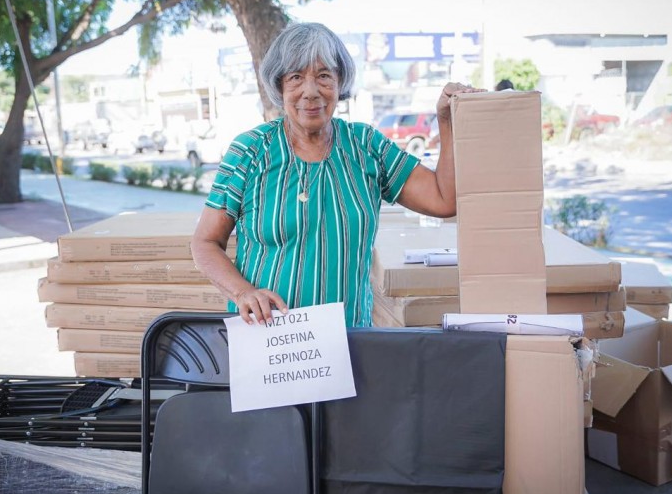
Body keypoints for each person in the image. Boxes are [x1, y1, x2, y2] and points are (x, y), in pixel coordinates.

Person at [191, 22, 481, 328]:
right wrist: (244, 293)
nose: (311, 91)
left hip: (349, 345)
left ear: (340, 82)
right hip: (267, 346)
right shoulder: (250, 152)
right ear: (279, 86)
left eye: (324, 76)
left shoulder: (367, 146)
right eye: (296, 77)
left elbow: (443, 199)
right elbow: (205, 243)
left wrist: (446, 122)